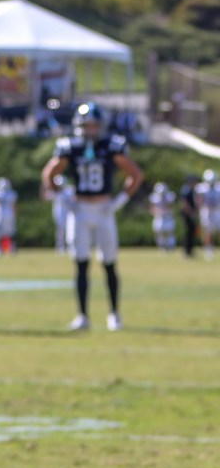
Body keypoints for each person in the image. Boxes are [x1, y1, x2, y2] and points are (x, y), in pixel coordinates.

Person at [41, 101, 143, 332]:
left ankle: (114, 314)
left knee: (109, 263)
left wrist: (119, 201)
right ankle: (82, 316)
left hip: (104, 209)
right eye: (87, 125)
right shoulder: (71, 147)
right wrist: (63, 198)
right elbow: (48, 174)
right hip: (80, 209)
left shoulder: (112, 146)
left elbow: (136, 174)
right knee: (81, 263)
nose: (91, 130)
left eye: (95, 125)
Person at [193, 169, 219, 262]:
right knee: (207, 232)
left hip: (217, 211)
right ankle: (208, 250)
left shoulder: (218, 187)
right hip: (206, 212)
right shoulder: (201, 188)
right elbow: (197, 201)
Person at [49, 174, 77, 255]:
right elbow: (45, 196)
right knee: (60, 231)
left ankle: (70, 246)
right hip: (59, 214)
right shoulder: (56, 192)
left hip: (69, 214)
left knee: (71, 231)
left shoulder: (69, 190)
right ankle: (60, 247)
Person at [0, 177, 17, 256]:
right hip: (6, 214)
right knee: (7, 232)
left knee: (4, 232)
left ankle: (3, 248)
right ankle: (9, 248)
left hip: (1, 214)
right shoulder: (10, 193)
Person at [148, 181, 176, 253]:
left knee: (169, 232)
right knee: (159, 233)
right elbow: (151, 208)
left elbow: (171, 207)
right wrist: (157, 211)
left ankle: (171, 246)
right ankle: (162, 247)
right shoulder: (154, 197)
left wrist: (165, 211)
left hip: (168, 217)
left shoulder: (169, 196)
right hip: (158, 217)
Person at [178, 174, 199, 259]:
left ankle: (190, 250)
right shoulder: (186, 190)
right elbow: (184, 203)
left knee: (192, 232)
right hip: (187, 214)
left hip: (191, 214)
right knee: (188, 233)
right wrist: (191, 213)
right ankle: (187, 251)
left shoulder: (191, 190)